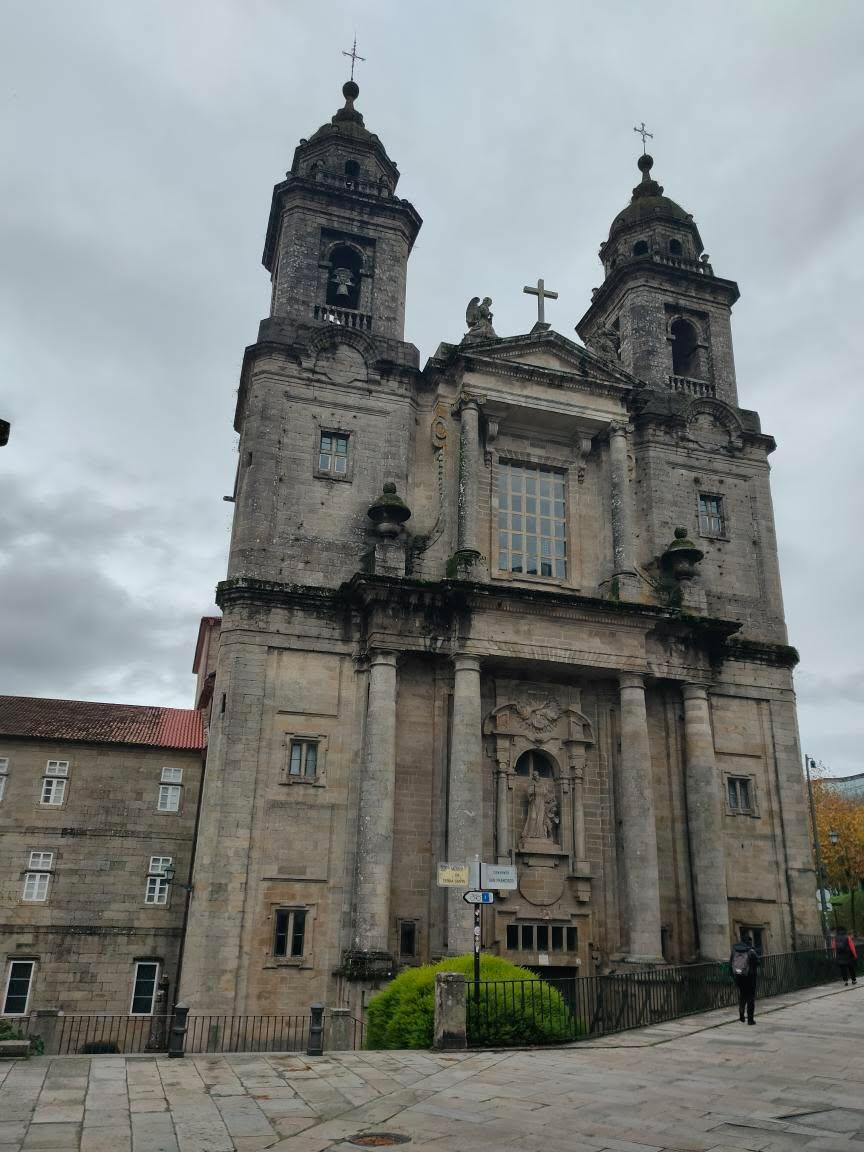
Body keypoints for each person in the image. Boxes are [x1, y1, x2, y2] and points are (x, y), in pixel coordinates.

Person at [730, 934, 760, 1025]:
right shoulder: (751, 951)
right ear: (749, 942)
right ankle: (750, 1020)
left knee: (742, 995)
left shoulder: (735, 951)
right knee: (750, 998)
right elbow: (758, 963)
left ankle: (741, 1012)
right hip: (750, 978)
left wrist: (733, 976)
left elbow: (730, 963)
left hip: (739, 977)